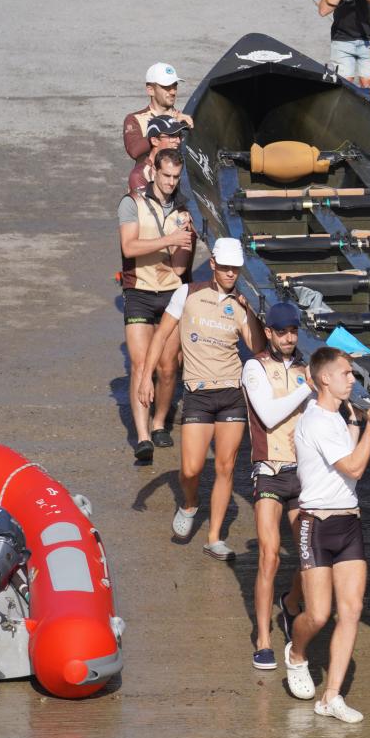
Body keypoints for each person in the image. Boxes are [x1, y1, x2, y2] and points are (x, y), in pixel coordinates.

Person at [135, 237, 266, 558]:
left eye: (235, 269)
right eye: (225, 268)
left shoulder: (240, 304)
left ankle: (215, 537)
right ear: (213, 264)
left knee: (225, 467)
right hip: (198, 393)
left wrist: (251, 313)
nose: (231, 274)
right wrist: (145, 378)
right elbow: (162, 334)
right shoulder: (188, 293)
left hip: (232, 393)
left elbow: (258, 348)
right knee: (190, 469)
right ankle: (190, 503)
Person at [285, 346, 370, 722]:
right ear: (325, 378)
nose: (352, 378)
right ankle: (296, 653)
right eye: (346, 373)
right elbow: (354, 467)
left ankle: (331, 697)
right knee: (317, 615)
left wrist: (358, 424)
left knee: (352, 611)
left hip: (348, 522)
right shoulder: (314, 421)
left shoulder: (337, 417)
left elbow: (347, 459)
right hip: (317, 525)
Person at [241, 300, 311, 671]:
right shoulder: (255, 366)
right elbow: (267, 415)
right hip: (268, 470)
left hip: (304, 473)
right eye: (281, 331)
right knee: (269, 555)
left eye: (293, 331)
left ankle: (289, 602)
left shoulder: (306, 366)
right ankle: (263, 640)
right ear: (268, 332)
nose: (289, 337)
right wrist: (310, 387)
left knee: (310, 554)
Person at [118, 148, 195, 460]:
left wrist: (187, 237)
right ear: (153, 170)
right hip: (138, 291)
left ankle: (160, 422)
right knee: (140, 365)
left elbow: (179, 268)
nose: (170, 182)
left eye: (176, 177)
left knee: (167, 367)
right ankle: (143, 436)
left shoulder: (184, 209)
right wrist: (169, 239)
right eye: (166, 176)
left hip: (172, 293)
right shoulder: (131, 203)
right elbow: (129, 246)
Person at [123, 62, 191, 163]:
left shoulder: (184, 119)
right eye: (166, 86)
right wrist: (169, 127)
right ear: (150, 90)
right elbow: (134, 150)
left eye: (175, 86)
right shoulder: (135, 119)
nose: (173, 92)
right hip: (149, 178)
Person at [127, 115, 187, 196]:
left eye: (179, 136)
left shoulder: (175, 167)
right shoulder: (140, 175)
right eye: (172, 136)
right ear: (154, 141)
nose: (178, 141)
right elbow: (148, 207)